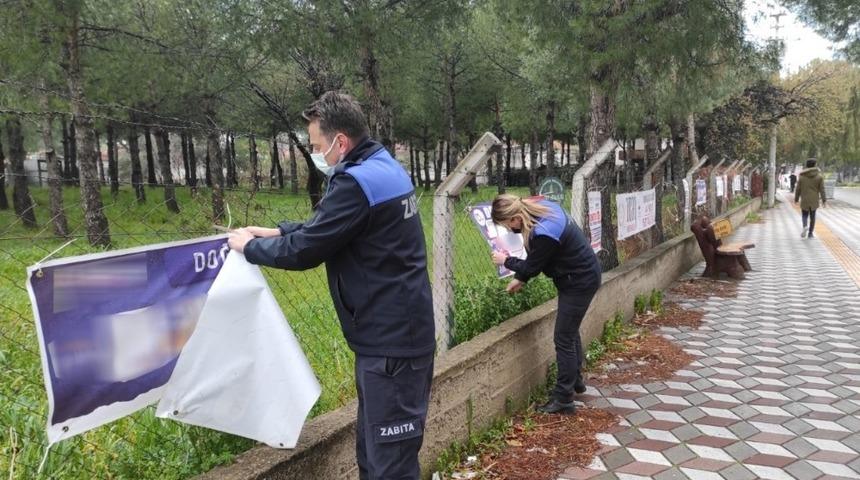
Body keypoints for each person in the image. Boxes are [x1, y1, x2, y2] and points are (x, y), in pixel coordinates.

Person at [227, 91, 435, 480]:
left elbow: (307, 250)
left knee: (389, 465)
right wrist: (278, 230)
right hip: (393, 336)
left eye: (318, 145)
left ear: (341, 141)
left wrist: (252, 248)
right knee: (375, 454)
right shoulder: (382, 165)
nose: (316, 152)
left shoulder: (357, 182)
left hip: (390, 345)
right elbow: (333, 225)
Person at [489, 195, 601, 415]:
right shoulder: (542, 206)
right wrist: (519, 279)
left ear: (514, 219)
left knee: (563, 338)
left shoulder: (544, 233)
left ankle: (563, 399)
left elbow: (533, 266)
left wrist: (506, 261)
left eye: (505, 226)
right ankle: (575, 381)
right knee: (569, 332)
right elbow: (540, 261)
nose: (508, 230)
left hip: (579, 281)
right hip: (581, 275)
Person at [795, 158, 827, 239]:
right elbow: (822, 189)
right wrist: (824, 200)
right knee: (813, 217)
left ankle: (805, 226)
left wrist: (796, 198)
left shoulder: (802, 176)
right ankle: (810, 233)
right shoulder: (819, 177)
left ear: (807, 165)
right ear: (815, 165)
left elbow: (798, 189)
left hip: (805, 198)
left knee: (804, 215)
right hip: (814, 200)